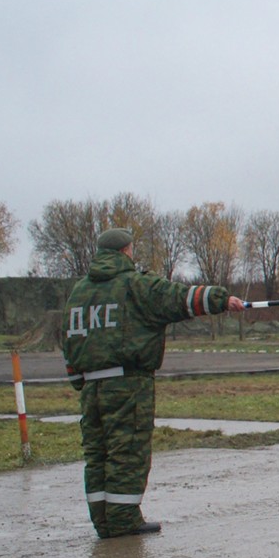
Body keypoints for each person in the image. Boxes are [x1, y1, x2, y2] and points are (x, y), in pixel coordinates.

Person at [61, 227, 245, 538]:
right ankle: (122, 520)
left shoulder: (79, 291)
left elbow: (69, 338)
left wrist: (78, 378)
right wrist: (222, 299)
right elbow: (178, 299)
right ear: (125, 252)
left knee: (97, 454)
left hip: (91, 387)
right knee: (126, 450)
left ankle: (103, 519)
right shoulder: (135, 285)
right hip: (127, 384)